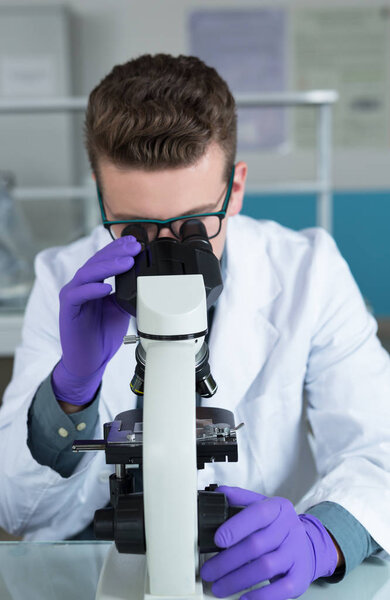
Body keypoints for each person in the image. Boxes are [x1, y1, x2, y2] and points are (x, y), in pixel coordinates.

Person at [1, 54, 389, 600]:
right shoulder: (61, 281)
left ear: (235, 190)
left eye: (190, 228)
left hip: (259, 573)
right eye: (133, 228)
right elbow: (18, 507)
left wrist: (324, 536)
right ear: (99, 194)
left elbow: (379, 446)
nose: (165, 255)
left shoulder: (309, 271)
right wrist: (70, 392)